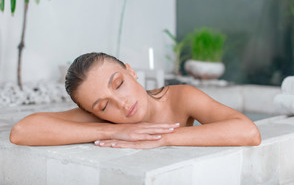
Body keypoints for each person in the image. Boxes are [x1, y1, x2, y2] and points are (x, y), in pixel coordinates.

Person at [9, 52, 261, 149]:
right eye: (104, 105)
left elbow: (248, 132)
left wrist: (163, 138)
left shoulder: (180, 98)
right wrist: (112, 131)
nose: (120, 103)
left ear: (131, 71)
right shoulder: (105, 119)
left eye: (118, 84)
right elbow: (21, 131)